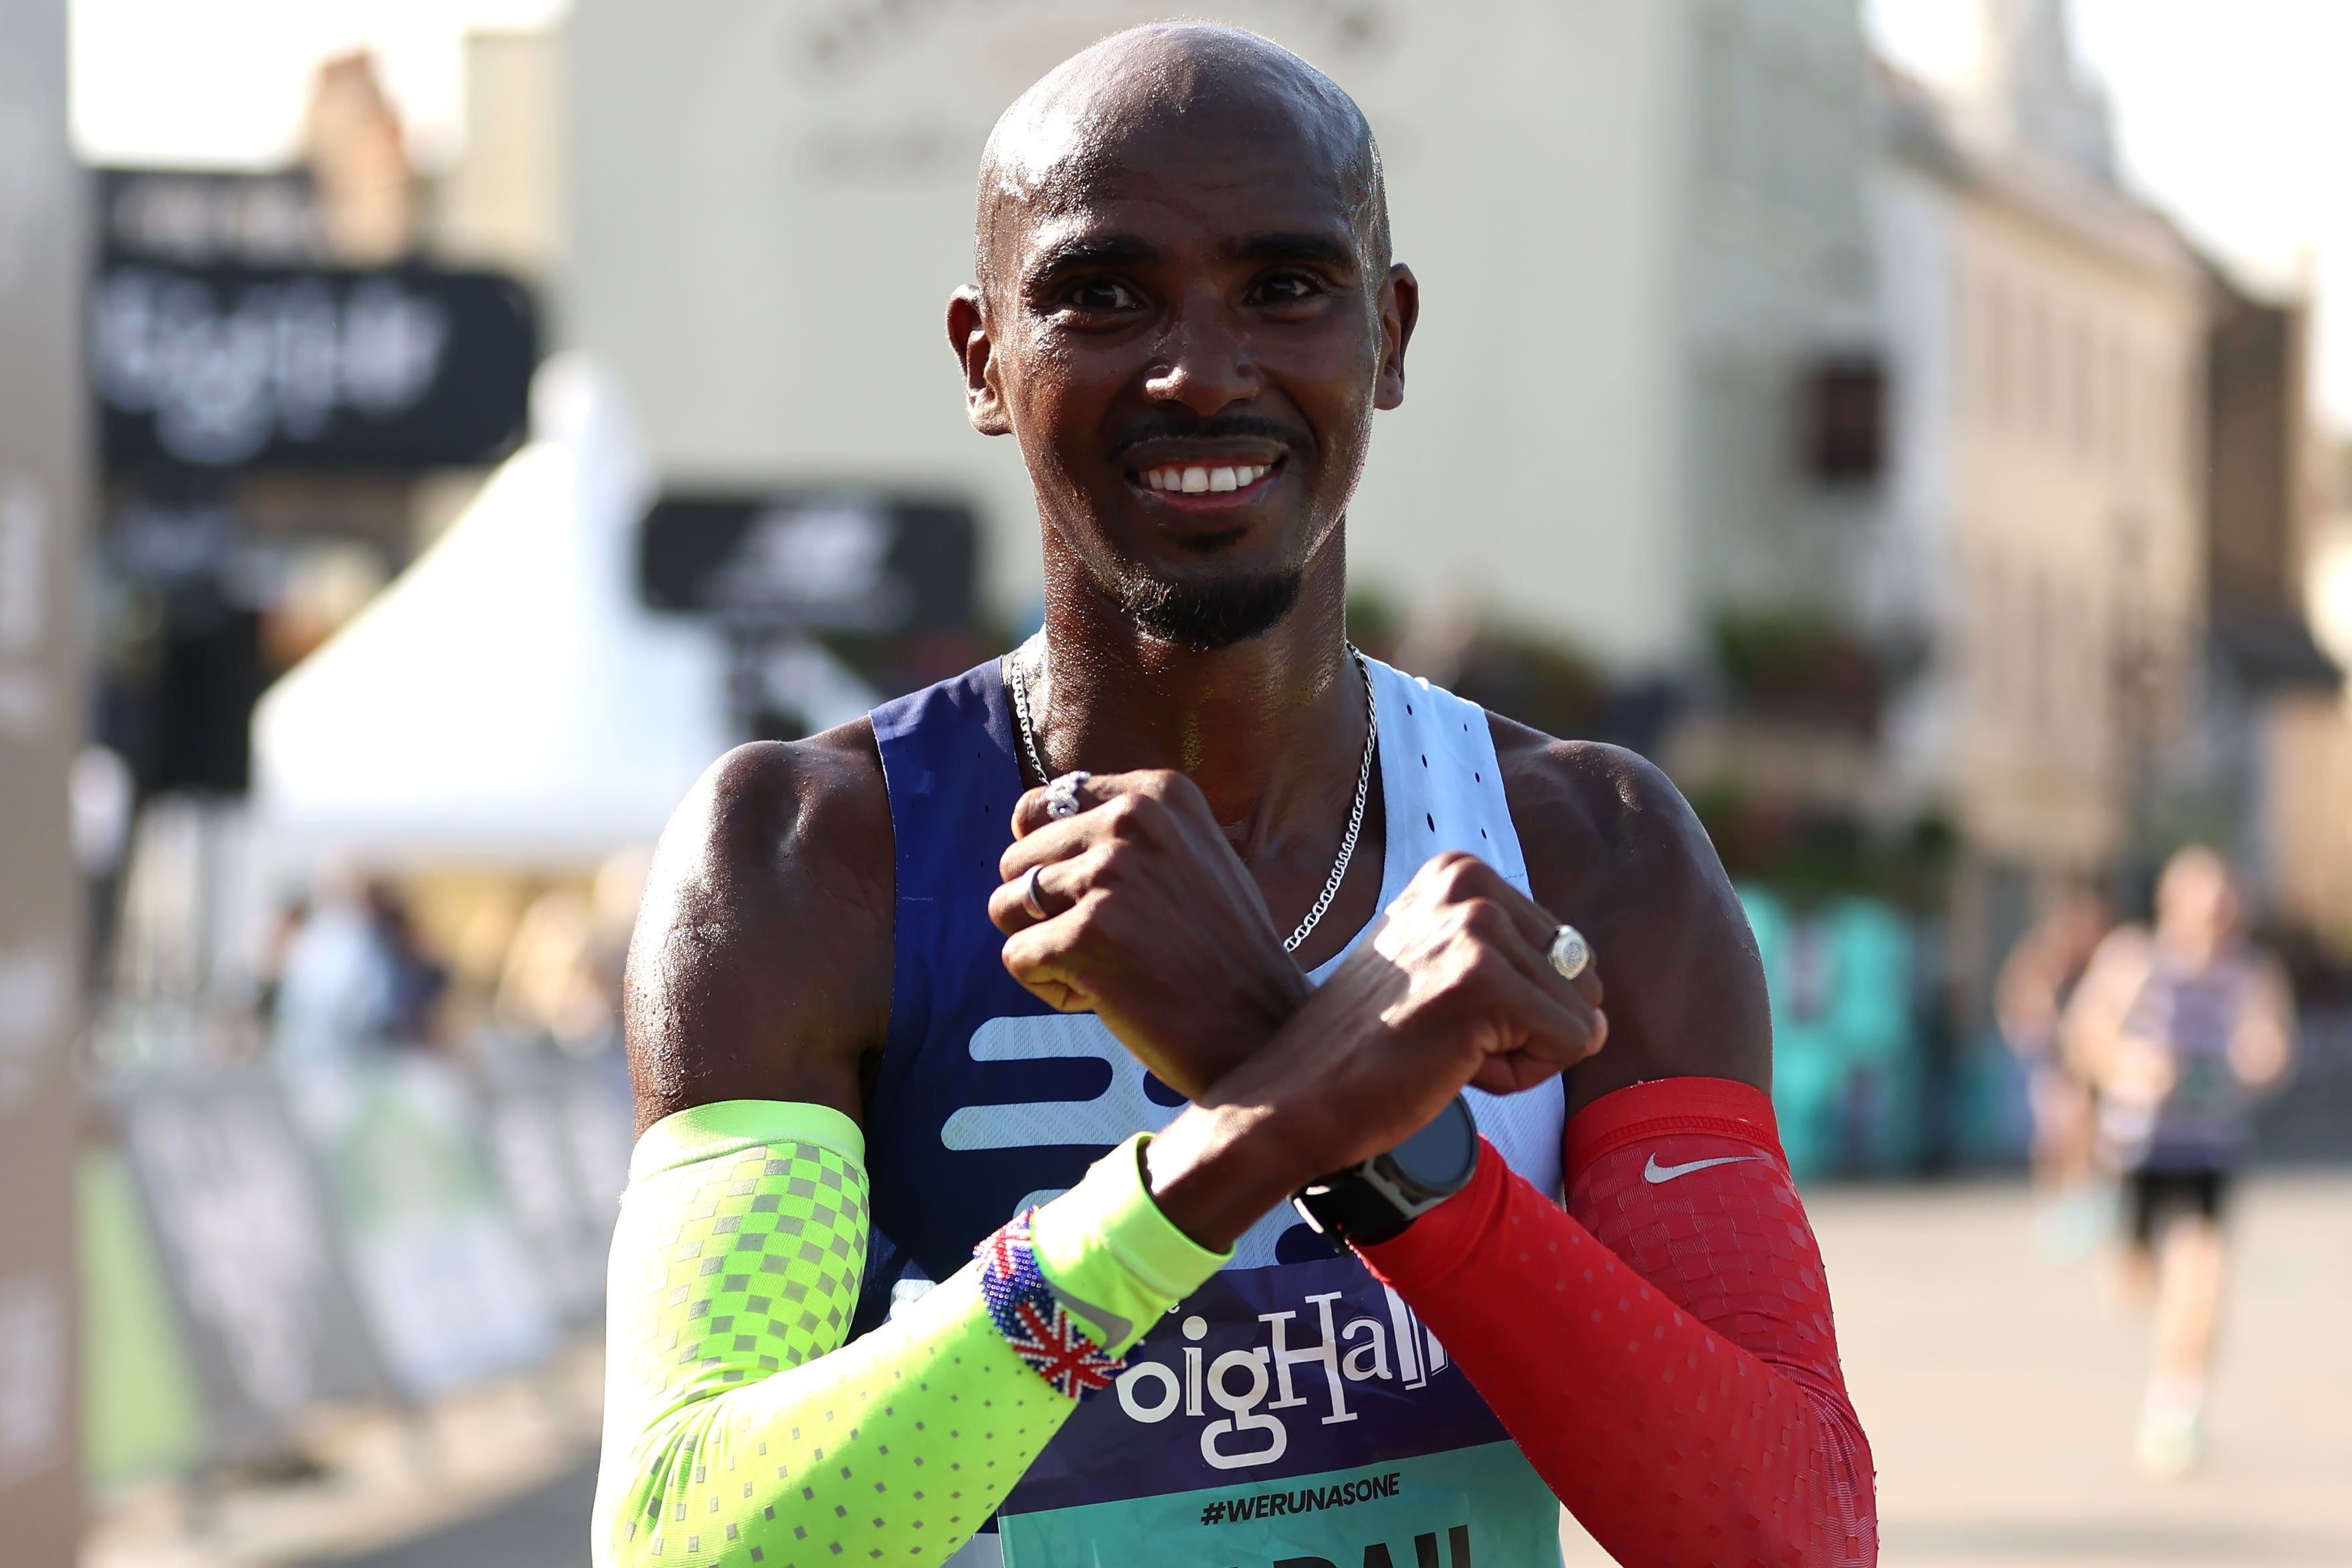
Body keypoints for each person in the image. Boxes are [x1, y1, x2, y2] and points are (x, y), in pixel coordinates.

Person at [595, 25, 1873, 1568]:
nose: (1201, 368)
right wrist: (1240, 1141)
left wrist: (1388, 1152)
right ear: (982, 355)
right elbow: (690, 1539)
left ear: (1389, 336)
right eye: (1102, 292)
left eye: (1286, 287)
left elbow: (1785, 1530)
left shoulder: (1590, 850)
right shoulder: (812, 857)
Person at [2062, 846, 2294, 1478]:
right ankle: (2145, 1289)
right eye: (2201, 904)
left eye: (2223, 905)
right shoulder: (2135, 959)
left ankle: (2176, 1404)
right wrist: (2127, 1064)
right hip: (2141, 1149)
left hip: (2212, 1148)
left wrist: (2263, 1056)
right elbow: (2084, 1033)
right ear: (2171, 904)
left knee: (2203, 1271)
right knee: (2137, 1288)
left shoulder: (2252, 972)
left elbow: (2274, 1040)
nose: (2213, 918)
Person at [1994, 887, 2111, 1256]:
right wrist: (2035, 1035)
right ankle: (2054, 1206)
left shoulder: (2100, 962)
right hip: (2052, 1061)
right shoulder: (2042, 959)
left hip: (2086, 1063)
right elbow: (2018, 1005)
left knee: (2087, 1132)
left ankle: (2082, 1202)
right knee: (2054, 1136)